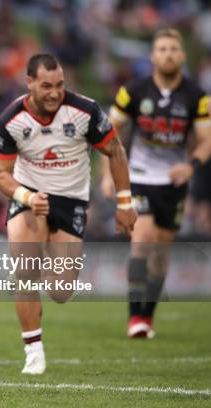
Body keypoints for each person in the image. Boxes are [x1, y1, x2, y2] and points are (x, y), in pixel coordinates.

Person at [0, 54, 137, 375]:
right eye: (45, 86)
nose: (54, 93)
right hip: (30, 196)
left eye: (59, 85)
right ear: (29, 83)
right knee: (25, 269)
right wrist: (26, 196)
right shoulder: (12, 118)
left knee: (60, 291)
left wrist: (125, 203)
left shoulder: (85, 111)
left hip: (71, 201)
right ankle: (33, 352)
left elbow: (115, 151)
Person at [101, 29, 211, 338]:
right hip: (138, 177)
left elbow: (206, 140)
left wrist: (191, 166)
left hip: (173, 183)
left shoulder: (197, 96)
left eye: (173, 49)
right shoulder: (133, 91)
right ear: (153, 56)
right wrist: (108, 175)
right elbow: (109, 134)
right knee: (143, 240)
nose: (168, 54)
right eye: (161, 49)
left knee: (161, 251)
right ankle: (134, 317)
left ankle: (147, 317)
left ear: (182, 55)